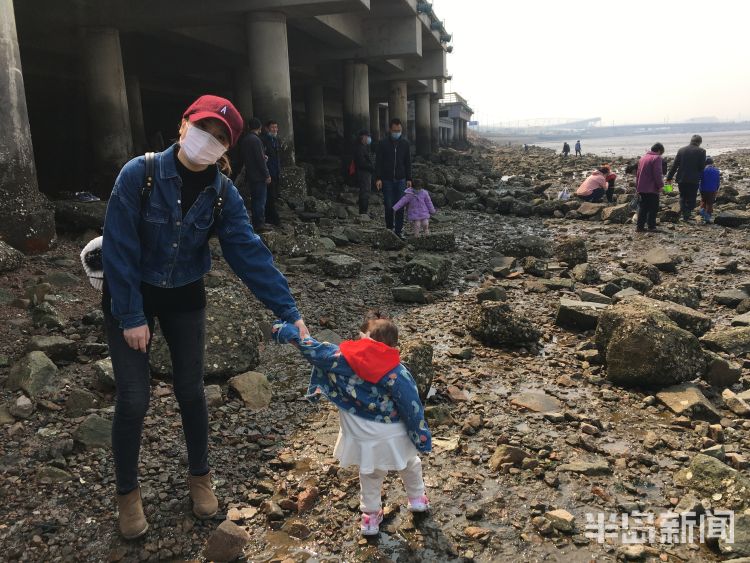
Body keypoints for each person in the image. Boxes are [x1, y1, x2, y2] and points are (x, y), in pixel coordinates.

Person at [101, 95, 309, 540]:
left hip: (184, 295)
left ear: (227, 148)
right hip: (129, 295)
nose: (208, 142)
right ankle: (128, 497)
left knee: (192, 392)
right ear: (183, 126)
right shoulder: (139, 174)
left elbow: (249, 253)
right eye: (203, 130)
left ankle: (200, 478)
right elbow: (117, 247)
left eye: (220, 138)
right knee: (134, 399)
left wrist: (288, 310)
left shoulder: (222, 194)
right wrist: (132, 315)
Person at [272, 311, 432, 536]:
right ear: (393, 345)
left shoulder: (340, 358)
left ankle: (370, 519)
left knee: (371, 474)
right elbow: (411, 404)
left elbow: (313, 349)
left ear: (364, 337)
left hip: (363, 435)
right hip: (393, 433)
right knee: (409, 463)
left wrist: (286, 330)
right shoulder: (396, 371)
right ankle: (417, 500)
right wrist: (421, 436)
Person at [375, 118, 412, 238]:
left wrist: (409, 178)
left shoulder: (405, 143)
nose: (397, 132)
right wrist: (378, 178)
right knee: (389, 205)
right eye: (395, 130)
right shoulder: (383, 143)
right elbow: (378, 162)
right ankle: (390, 230)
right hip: (387, 180)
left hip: (401, 179)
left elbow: (408, 162)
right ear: (390, 130)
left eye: (399, 130)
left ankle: (398, 231)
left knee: (400, 206)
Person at [238, 117, 272, 231]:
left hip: (250, 173)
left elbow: (250, 157)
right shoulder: (256, 140)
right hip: (259, 175)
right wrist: (267, 174)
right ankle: (259, 224)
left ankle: (256, 222)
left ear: (248, 127)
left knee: (254, 200)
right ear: (260, 127)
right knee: (260, 200)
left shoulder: (246, 139)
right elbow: (260, 160)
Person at [666, 134, 707, 221]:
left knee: (682, 196)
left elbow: (675, 165)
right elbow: (701, 167)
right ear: (700, 142)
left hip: (681, 178)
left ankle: (685, 213)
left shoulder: (681, 150)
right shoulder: (702, 151)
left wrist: (669, 177)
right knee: (692, 197)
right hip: (693, 179)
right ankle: (687, 214)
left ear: (691, 141)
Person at [635, 142, 665, 232]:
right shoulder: (657, 158)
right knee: (653, 207)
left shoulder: (643, 158)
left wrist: (637, 186)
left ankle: (639, 227)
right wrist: (660, 185)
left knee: (643, 207)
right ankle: (651, 226)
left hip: (642, 187)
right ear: (659, 151)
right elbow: (657, 173)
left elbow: (638, 173)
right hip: (651, 188)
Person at [262, 120, 282, 226]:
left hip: (275, 171)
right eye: (272, 127)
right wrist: (266, 173)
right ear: (267, 129)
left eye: (276, 127)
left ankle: (270, 217)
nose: (275, 129)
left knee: (273, 195)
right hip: (268, 172)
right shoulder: (264, 140)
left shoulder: (276, 140)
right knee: (269, 195)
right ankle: (273, 218)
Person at [353, 129, 375, 216]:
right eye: (368, 136)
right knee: (364, 191)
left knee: (365, 191)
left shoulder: (362, 147)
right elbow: (361, 163)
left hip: (365, 172)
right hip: (363, 173)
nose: (369, 138)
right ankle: (363, 213)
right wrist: (371, 167)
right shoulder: (360, 148)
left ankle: (363, 212)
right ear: (363, 137)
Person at [699, 156, 721, 224]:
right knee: (710, 204)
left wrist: (699, 188)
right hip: (712, 189)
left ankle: (702, 212)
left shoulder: (703, 170)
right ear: (712, 163)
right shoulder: (716, 170)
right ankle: (707, 217)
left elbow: (700, 179)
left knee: (703, 201)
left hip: (703, 189)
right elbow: (718, 181)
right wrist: (716, 189)